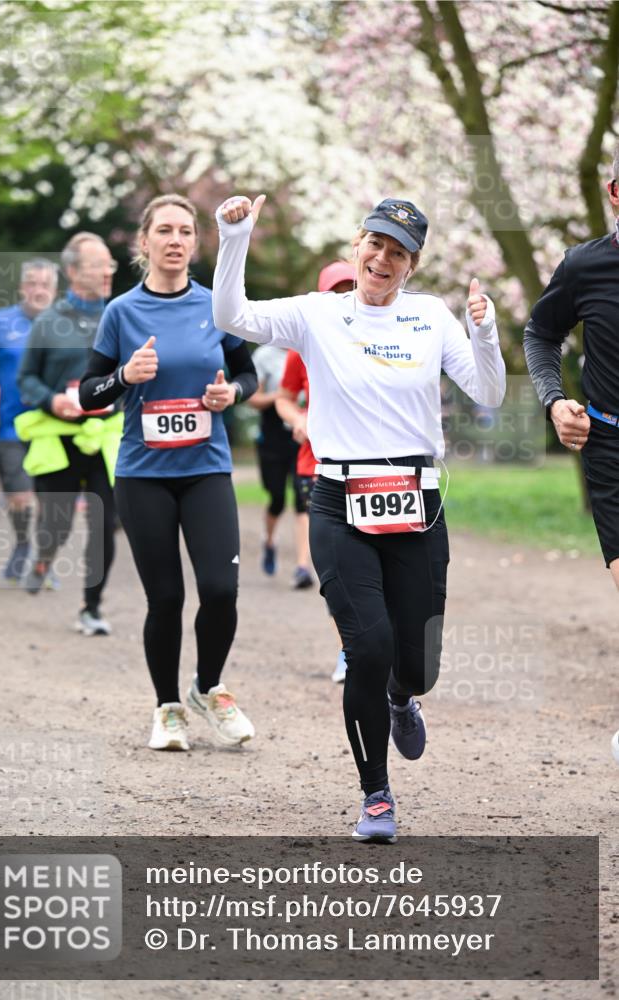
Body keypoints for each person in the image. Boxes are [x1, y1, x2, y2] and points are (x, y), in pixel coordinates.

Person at [213, 194, 506, 842]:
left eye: (396, 252)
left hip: (414, 500)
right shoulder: (317, 315)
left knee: (417, 664)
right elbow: (231, 314)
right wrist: (234, 236)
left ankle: (404, 698)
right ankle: (375, 794)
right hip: (338, 501)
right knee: (365, 648)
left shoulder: (429, 317)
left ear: (411, 265)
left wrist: (482, 331)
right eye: (373, 244)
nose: (381, 258)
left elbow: (487, 392)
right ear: (356, 245)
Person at [78, 193, 257, 751]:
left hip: (206, 469)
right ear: (145, 242)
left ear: (195, 244)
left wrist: (232, 393)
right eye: (165, 231)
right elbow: (89, 394)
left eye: (185, 231)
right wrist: (126, 376)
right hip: (143, 475)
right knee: (166, 599)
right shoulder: (122, 313)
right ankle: (168, 708)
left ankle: (206, 686)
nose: (175, 240)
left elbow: (247, 376)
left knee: (221, 589)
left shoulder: (218, 307)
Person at [524, 144, 619, 593]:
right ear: (614, 192)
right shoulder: (583, 265)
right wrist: (555, 401)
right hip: (610, 445)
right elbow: (541, 333)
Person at [17, 233, 121, 635]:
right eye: (98, 265)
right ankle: (44, 556)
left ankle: (91, 607)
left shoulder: (122, 315)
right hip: (58, 437)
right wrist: (51, 402)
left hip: (105, 435)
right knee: (55, 523)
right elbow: (25, 379)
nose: (108, 272)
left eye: (111, 264)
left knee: (104, 521)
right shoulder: (48, 321)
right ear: (74, 271)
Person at [275, 261, 355, 682]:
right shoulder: (303, 344)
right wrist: (297, 418)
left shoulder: (384, 336)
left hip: (373, 468)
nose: (343, 296)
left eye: (350, 288)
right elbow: (283, 398)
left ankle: (381, 642)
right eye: (335, 290)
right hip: (317, 464)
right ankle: (348, 650)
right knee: (336, 569)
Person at [0, 259, 58, 580]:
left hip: (52, 428)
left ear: (54, 290)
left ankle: (43, 561)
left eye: (44, 284)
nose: (38, 290)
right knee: (19, 495)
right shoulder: (1, 322)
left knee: (49, 498)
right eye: (32, 283)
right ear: (22, 287)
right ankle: (23, 544)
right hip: (9, 425)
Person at [248, 343, 313, 588]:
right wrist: (281, 395)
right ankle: (269, 541)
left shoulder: (311, 346)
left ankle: (302, 567)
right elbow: (252, 398)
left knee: (302, 500)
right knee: (277, 499)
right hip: (272, 436)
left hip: (303, 437)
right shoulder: (265, 355)